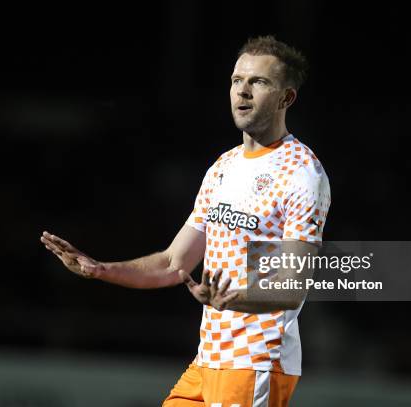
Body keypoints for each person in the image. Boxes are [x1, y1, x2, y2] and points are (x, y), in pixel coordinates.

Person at [41, 35, 331, 407]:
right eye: (236, 80)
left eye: (258, 82)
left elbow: (292, 287)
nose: (242, 91)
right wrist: (99, 269)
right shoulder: (223, 167)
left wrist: (232, 300)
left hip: (254, 362)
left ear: (285, 98)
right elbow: (173, 263)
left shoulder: (302, 172)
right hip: (207, 361)